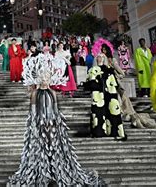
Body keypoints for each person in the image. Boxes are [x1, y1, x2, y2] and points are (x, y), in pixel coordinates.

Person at [9, 54, 104, 186]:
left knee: (53, 145)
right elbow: (33, 110)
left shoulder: (52, 93)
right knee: (40, 146)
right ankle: (41, 170)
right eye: (43, 78)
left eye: (47, 78)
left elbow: (56, 109)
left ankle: (54, 168)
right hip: (39, 124)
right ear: (39, 79)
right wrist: (35, 124)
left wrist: (55, 122)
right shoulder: (35, 94)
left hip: (52, 123)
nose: (45, 81)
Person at [85, 55, 127, 140]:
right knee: (98, 113)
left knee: (112, 112)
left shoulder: (109, 69)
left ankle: (114, 131)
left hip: (110, 93)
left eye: (101, 56)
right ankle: (99, 132)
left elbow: (114, 81)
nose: (99, 58)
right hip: (98, 94)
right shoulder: (92, 70)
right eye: (98, 57)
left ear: (104, 59)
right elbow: (89, 82)